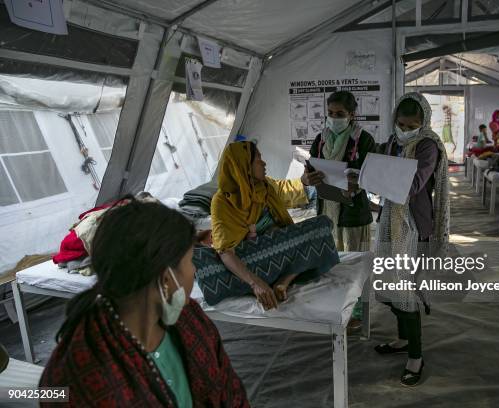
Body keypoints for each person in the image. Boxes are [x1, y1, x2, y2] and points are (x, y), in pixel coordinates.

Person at [40, 200, 250, 407]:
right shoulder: (80, 374)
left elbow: (231, 392)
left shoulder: (190, 318)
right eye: (190, 261)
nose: (193, 271)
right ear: (166, 279)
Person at [193, 141, 339, 310]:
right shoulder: (222, 201)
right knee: (320, 226)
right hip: (250, 258)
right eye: (258, 159)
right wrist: (255, 283)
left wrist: (304, 181)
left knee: (323, 224)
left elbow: (285, 189)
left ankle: (284, 281)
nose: (264, 163)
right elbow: (225, 251)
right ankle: (279, 277)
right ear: (245, 166)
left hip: (277, 249)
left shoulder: (264, 186)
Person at [374, 92, 450, 387]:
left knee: (406, 290)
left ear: (424, 122)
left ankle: (416, 356)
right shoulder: (393, 143)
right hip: (389, 222)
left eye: (411, 124)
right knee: (391, 284)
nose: (405, 129)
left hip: (413, 225)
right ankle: (403, 340)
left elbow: (413, 184)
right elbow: (376, 169)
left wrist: (377, 178)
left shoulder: (427, 145)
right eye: (401, 124)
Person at [304, 90, 376, 329]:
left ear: (352, 114)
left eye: (340, 114)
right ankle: (338, 306)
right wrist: (309, 178)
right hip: (328, 208)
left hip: (353, 211)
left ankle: (357, 313)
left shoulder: (363, 140)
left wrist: (356, 182)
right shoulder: (321, 139)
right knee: (334, 263)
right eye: (331, 113)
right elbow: (309, 170)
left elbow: (373, 177)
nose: (334, 118)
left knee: (356, 264)